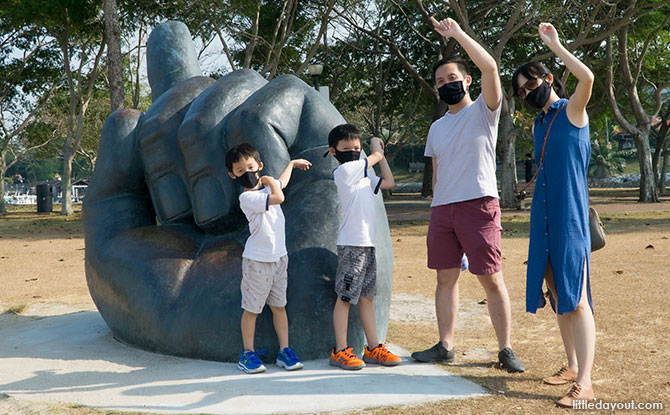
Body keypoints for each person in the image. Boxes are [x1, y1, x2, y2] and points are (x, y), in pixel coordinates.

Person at [411, 17, 525, 373]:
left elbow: (490, 65)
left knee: (491, 278)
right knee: (445, 279)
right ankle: (445, 344)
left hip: (479, 205)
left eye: (452, 78)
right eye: (440, 82)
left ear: (467, 80)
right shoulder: (436, 127)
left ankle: (505, 349)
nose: (447, 85)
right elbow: (441, 170)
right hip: (443, 210)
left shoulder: (484, 111)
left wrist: (457, 34)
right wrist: (437, 206)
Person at [512, 23, 596, 407]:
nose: (527, 93)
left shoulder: (572, 110)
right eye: (522, 91)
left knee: (576, 297)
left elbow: (588, 76)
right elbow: (549, 164)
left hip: (570, 217)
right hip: (543, 215)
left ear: (548, 79)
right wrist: (528, 188)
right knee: (558, 292)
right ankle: (572, 365)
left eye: (531, 85)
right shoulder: (539, 122)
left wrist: (556, 45)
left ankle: (586, 381)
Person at [226, 143, 312, 373]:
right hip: (258, 261)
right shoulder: (247, 199)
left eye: (251, 167)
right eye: (241, 171)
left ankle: (284, 351)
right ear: (232, 175)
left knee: (279, 307)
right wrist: (269, 181)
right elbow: (279, 196)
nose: (248, 173)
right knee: (252, 310)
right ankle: (247, 354)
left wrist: (292, 164)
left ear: (260, 166)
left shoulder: (266, 189)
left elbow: (281, 183)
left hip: (279, 259)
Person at [325, 124, 400, 370]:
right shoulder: (345, 172)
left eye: (357, 149)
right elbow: (373, 158)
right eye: (347, 148)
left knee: (367, 298)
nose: (353, 152)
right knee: (345, 297)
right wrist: (376, 149)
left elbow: (389, 182)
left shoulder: (365, 177)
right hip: (352, 246)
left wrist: (381, 155)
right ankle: (340, 350)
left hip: (368, 245)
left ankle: (373, 347)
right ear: (334, 151)